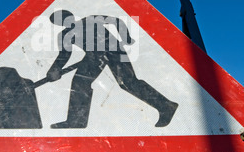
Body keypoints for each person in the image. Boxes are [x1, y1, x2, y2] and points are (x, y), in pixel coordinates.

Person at [46, 10, 178, 129]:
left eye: (65, 17)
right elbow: (64, 55)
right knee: (79, 83)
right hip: (94, 56)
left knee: (127, 83)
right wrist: (54, 70)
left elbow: (116, 21)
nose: (64, 21)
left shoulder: (90, 19)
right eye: (59, 20)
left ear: (71, 16)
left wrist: (126, 38)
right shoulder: (64, 35)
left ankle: (166, 106)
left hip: (115, 51)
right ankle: (76, 121)